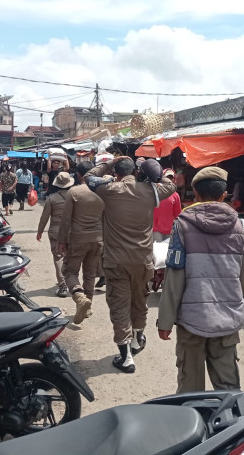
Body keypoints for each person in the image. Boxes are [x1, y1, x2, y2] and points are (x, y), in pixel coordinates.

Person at [156, 166, 244, 393]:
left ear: (195, 194)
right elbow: (241, 276)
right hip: (227, 319)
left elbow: (174, 275)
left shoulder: (182, 225)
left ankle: (194, 427)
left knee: (190, 388)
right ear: (223, 195)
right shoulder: (242, 227)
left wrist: (166, 320)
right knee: (228, 390)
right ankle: (232, 428)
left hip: (192, 321)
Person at [85, 156, 176, 373]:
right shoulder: (150, 191)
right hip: (143, 260)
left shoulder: (109, 190)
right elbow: (171, 185)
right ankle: (137, 338)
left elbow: (88, 177)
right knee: (139, 301)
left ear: (116, 173)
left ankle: (126, 357)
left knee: (119, 306)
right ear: (135, 173)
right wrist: (150, 170)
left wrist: (108, 162)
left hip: (116, 262)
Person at [58, 161, 105, 323]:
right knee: (90, 273)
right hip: (98, 239)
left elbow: (65, 220)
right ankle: (88, 307)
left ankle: (79, 297)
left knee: (69, 272)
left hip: (78, 239)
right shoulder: (103, 191)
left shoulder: (75, 191)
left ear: (79, 175)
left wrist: (62, 241)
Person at [37, 172, 75, 297]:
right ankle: (73, 283)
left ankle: (63, 285)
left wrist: (40, 231)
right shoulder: (75, 197)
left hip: (56, 232)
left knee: (58, 258)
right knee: (70, 257)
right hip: (72, 231)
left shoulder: (52, 198)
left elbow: (44, 217)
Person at [152, 168, 182, 242]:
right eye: (167, 177)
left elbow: (177, 214)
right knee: (157, 252)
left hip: (170, 230)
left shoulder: (175, 195)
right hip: (155, 230)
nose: (169, 180)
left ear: (173, 179)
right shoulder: (155, 191)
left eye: (171, 178)